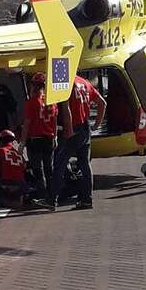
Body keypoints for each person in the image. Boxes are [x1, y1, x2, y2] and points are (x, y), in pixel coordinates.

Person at [52, 74, 106, 210]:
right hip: (85, 126)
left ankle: (52, 199)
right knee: (84, 164)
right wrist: (96, 125)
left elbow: (66, 108)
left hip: (74, 127)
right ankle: (86, 199)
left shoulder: (65, 83)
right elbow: (102, 103)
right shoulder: (84, 82)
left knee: (59, 162)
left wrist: (68, 129)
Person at [20, 72, 58, 201]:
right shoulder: (51, 101)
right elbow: (55, 120)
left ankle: (43, 195)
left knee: (37, 169)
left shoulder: (31, 102)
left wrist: (22, 142)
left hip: (35, 139)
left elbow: (27, 124)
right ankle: (53, 196)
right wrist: (55, 136)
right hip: (49, 138)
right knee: (49, 169)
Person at [0, 130, 35, 209]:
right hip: (21, 186)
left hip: (5, 184)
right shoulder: (19, 154)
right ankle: (21, 201)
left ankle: (1, 201)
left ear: (0, 141)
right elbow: (24, 168)